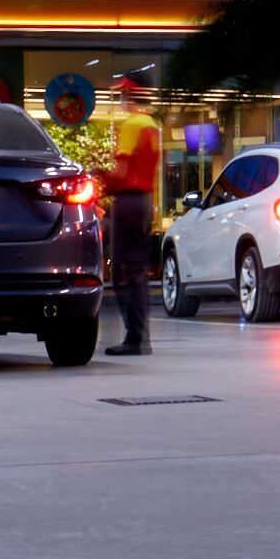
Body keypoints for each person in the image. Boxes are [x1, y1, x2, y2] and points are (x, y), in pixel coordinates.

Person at [82, 67, 167, 355]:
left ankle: (134, 339)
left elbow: (122, 171)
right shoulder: (152, 126)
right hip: (143, 202)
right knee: (137, 272)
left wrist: (100, 175)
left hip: (128, 203)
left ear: (130, 92)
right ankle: (140, 337)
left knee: (122, 272)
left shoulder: (132, 125)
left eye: (121, 92)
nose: (120, 97)